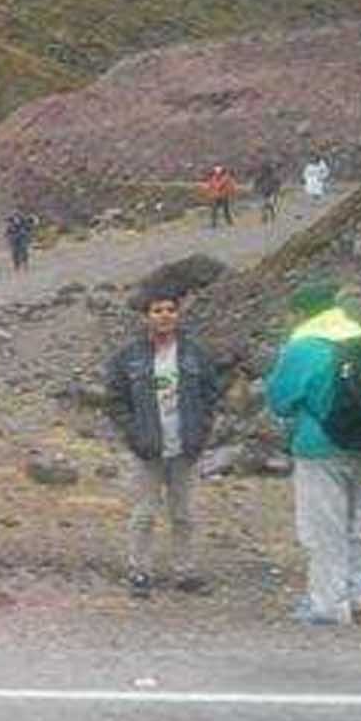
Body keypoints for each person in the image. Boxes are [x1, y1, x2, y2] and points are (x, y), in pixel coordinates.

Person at [266, 281, 361, 625]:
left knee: (322, 527)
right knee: (352, 519)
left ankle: (328, 605)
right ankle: (358, 593)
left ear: (300, 311)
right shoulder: (354, 335)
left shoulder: (304, 345)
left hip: (320, 444)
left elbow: (280, 398)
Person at [103, 287, 221, 599]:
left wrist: (202, 430)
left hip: (185, 447)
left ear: (178, 314)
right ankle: (140, 571)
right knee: (144, 513)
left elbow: (211, 395)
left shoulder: (196, 354)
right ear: (146, 317)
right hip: (148, 449)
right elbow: (114, 399)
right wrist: (134, 433)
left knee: (183, 514)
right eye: (157, 310)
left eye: (170, 309)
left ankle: (185, 572)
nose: (164, 315)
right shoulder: (129, 357)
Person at [200, 165, 238, 229]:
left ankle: (229, 223)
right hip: (216, 196)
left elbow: (229, 186)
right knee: (215, 210)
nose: (217, 173)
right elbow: (210, 186)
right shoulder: (214, 178)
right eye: (216, 171)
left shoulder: (226, 178)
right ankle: (214, 224)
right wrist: (206, 188)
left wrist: (232, 193)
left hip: (224, 196)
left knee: (225, 211)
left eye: (218, 171)